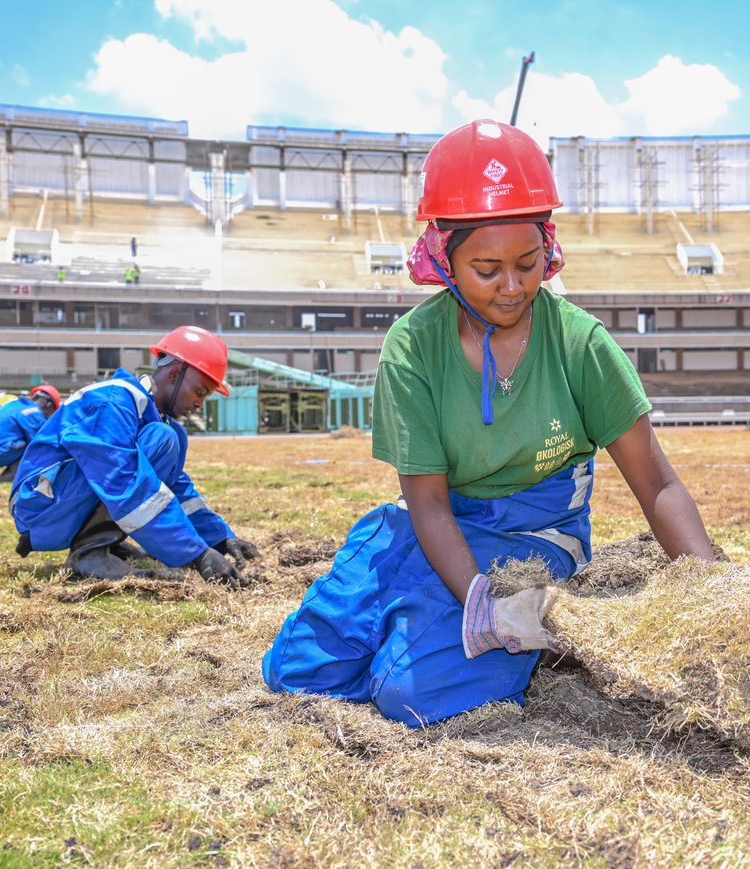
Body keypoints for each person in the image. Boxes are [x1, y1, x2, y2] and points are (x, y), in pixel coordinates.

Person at [263, 120, 715, 727]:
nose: (512, 287)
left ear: (548, 247)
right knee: (299, 673)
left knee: (410, 696)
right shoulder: (413, 348)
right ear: (442, 258)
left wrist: (716, 595)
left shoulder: (581, 345)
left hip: (536, 536)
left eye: (529, 263)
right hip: (441, 525)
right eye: (486, 269)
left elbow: (657, 485)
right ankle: (425, 616)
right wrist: (478, 602)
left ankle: (452, 630)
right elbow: (428, 505)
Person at [9, 326, 260, 583]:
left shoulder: (157, 423)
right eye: (200, 392)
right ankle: (90, 553)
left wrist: (219, 537)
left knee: (167, 438)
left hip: (63, 500)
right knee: (161, 441)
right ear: (174, 374)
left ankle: (105, 540)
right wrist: (197, 555)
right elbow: (122, 482)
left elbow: (177, 490)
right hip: (39, 508)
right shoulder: (113, 402)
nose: (199, 404)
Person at [0, 384, 62, 482]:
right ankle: (9, 477)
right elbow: (39, 443)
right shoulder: (33, 413)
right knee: (31, 447)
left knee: (0, 438)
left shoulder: (14, 405)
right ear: (49, 405)